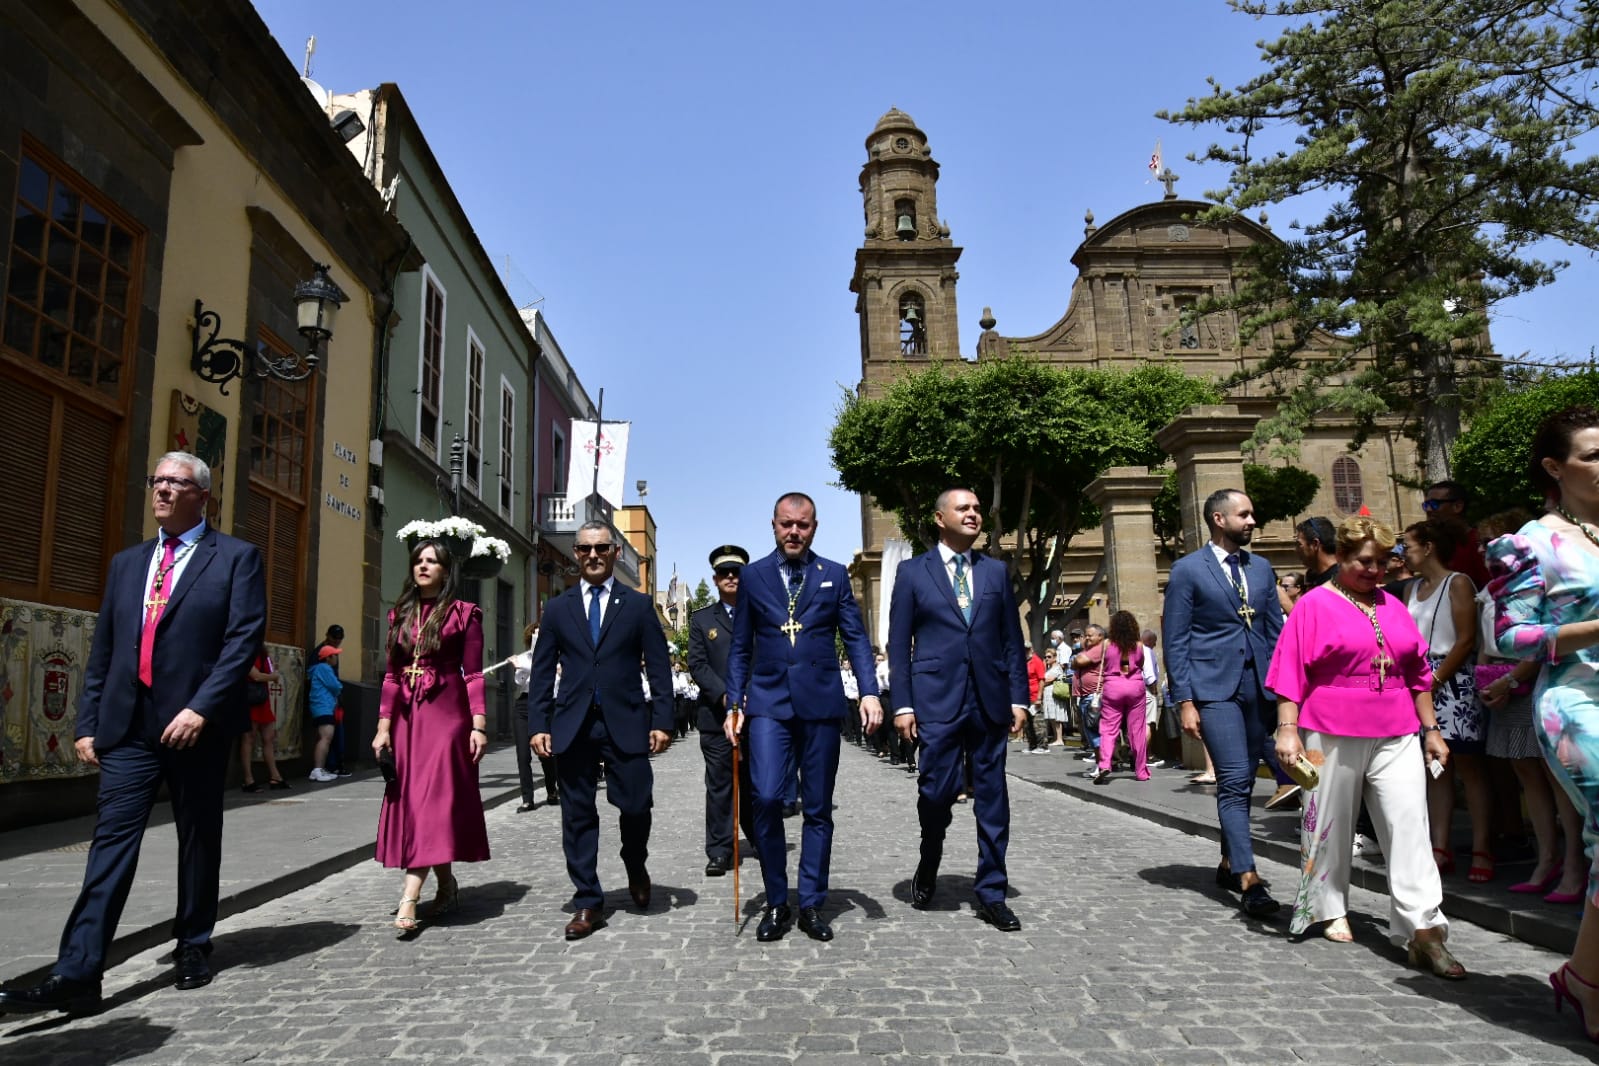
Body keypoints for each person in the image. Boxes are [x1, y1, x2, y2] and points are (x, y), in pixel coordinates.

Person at [0, 452, 265, 1013]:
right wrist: (89, 721)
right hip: (129, 729)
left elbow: (241, 641)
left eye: (175, 482)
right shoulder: (128, 563)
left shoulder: (236, 558)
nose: (161, 490)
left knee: (198, 836)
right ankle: (78, 974)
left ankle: (193, 943)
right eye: (157, 480)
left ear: (202, 495)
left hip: (194, 726)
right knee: (110, 847)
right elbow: (106, 649)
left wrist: (202, 709)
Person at [1266, 515, 1463, 977]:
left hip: (1396, 728)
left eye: (1381, 561)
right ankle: (1327, 906)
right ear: (1342, 556)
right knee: (1325, 822)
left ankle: (1425, 930)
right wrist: (1287, 728)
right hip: (1325, 728)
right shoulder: (1313, 605)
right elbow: (1291, 671)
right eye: (1363, 561)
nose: (1374, 570)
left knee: (1408, 825)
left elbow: (1417, 673)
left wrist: (1431, 730)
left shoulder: (1392, 605)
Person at [1486, 406, 1599, 1040]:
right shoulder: (1527, 542)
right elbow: (1511, 635)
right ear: (1556, 468)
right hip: (1576, 704)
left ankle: (1582, 980)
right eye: (1593, 455)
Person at [725, 492, 882, 943]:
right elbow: (740, 648)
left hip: (820, 705)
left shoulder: (831, 574)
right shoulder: (753, 577)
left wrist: (868, 692)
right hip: (769, 704)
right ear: (773, 524)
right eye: (786, 524)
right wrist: (735, 703)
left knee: (817, 808)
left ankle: (811, 903)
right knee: (768, 799)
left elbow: (855, 637)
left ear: (815, 527)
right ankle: (776, 900)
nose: (794, 532)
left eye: (804, 525)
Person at [888, 488, 1028, 931]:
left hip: (988, 701)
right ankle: (930, 855)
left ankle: (991, 890)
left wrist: (1019, 697)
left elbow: (1010, 641)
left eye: (976, 508)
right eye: (963, 508)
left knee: (993, 797)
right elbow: (898, 644)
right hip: (935, 700)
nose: (973, 514)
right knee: (936, 791)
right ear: (939, 518)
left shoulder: (995, 573)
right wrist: (903, 703)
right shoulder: (913, 573)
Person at [529, 521, 673, 940]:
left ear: (613, 553)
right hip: (572, 724)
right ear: (576, 554)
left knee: (635, 804)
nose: (593, 555)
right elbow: (541, 673)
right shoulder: (557, 609)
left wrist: (663, 720)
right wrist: (539, 722)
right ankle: (588, 900)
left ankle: (635, 861)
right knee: (576, 815)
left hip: (625, 721)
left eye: (602, 548)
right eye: (586, 549)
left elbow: (660, 668)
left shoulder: (638, 606)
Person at [1163, 487, 1284, 918]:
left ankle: (1229, 859)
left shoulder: (1263, 568)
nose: (1252, 521)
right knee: (1233, 780)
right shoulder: (1187, 570)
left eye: (1252, 514)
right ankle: (1249, 880)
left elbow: (1275, 631)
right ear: (1219, 519)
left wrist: (1285, 694)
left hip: (1260, 688)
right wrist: (1185, 701)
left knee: (1249, 779)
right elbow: (1175, 640)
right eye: (1244, 515)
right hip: (1215, 689)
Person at [373, 539, 490, 938]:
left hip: (447, 718)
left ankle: (410, 897)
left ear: (445, 570)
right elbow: (390, 675)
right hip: (408, 719)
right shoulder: (399, 615)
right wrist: (383, 726)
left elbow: (473, 674)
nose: (423, 566)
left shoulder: (464, 614)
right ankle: (446, 883)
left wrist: (478, 725)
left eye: (432, 561)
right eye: (418, 560)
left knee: (430, 802)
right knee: (419, 803)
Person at [1476, 511, 1584, 903]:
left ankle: (1572, 864)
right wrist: (1486, 681)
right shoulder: (1490, 589)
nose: (1486, 550)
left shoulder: (1539, 577)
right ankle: (1548, 857)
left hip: (1533, 681)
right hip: (1504, 686)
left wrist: (1509, 679)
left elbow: (1539, 640)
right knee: (1527, 774)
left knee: (1557, 778)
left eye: (1491, 540)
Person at [1401, 519, 1491, 881]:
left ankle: (1483, 845)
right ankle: (1439, 846)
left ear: (1428, 546)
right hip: (1421, 680)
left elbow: (1466, 639)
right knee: (1435, 768)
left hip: (1454, 679)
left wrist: (1436, 680)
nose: (1402, 553)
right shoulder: (1412, 588)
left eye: (1407, 545)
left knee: (1468, 766)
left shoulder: (1458, 583)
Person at [688, 544, 756, 877]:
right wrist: (726, 696)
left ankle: (759, 835)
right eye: (724, 573)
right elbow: (697, 665)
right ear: (715, 579)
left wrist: (749, 696)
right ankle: (719, 849)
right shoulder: (701, 619)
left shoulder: (760, 614)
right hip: (717, 717)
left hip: (756, 714)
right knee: (720, 785)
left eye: (737, 572)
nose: (731, 577)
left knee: (756, 783)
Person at [1091, 610, 1155, 784]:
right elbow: (1140, 664)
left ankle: (1105, 764)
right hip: (1135, 687)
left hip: (1112, 687)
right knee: (1137, 731)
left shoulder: (1106, 644)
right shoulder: (1139, 646)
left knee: (1108, 729)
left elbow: (1101, 663)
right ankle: (1141, 771)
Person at [511, 623, 559, 813]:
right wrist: (520, 667)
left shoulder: (556, 659)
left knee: (546, 752)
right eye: (534, 636)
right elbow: (519, 682)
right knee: (523, 755)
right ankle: (527, 799)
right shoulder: (523, 658)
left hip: (547, 704)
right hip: (524, 704)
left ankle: (551, 790)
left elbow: (558, 683)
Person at [1425, 480, 1492, 589]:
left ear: (1457, 506)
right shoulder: (1433, 546)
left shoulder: (1479, 543)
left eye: (1434, 504)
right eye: (1426, 505)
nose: (1428, 509)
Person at [240, 644, 285, 792]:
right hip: (250, 700)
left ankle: (275, 776)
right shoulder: (245, 650)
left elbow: (269, 672)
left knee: (269, 738)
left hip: (262, 700)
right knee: (249, 738)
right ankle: (248, 780)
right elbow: (256, 675)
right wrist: (273, 676)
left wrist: (271, 675)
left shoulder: (263, 653)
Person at [314, 623, 349, 777]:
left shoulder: (329, 657)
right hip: (325, 704)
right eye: (335, 638)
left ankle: (334, 765)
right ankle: (323, 767)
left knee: (334, 735)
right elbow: (334, 684)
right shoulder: (322, 660)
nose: (337, 641)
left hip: (330, 703)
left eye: (340, 639)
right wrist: (338, 689)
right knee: (327, 736)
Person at [307, 645, 342, 783]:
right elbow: (336, 686)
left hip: (322, 706)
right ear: (328, 658)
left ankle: (319, 769)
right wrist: (339, 688)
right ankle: (317, 770)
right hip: (323, 707)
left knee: (324, 738)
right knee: (325, 738)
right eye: (335, 655)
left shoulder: (320, 669)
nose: (336, 658)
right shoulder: (324, 668)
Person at [1071, 626, 1106, 762]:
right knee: (1092, 732)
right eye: (1085, 635)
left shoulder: (1099, 649)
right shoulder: (1089, 650)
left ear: (1100, 636)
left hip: (1094, 697)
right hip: (1087, 696)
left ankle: (1101, 764)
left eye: (1090, 635)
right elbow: (1074, 665)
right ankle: (1103, 763)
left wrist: (1078, 659)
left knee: (1095, 732)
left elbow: (1078, 661)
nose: (1086, 638)